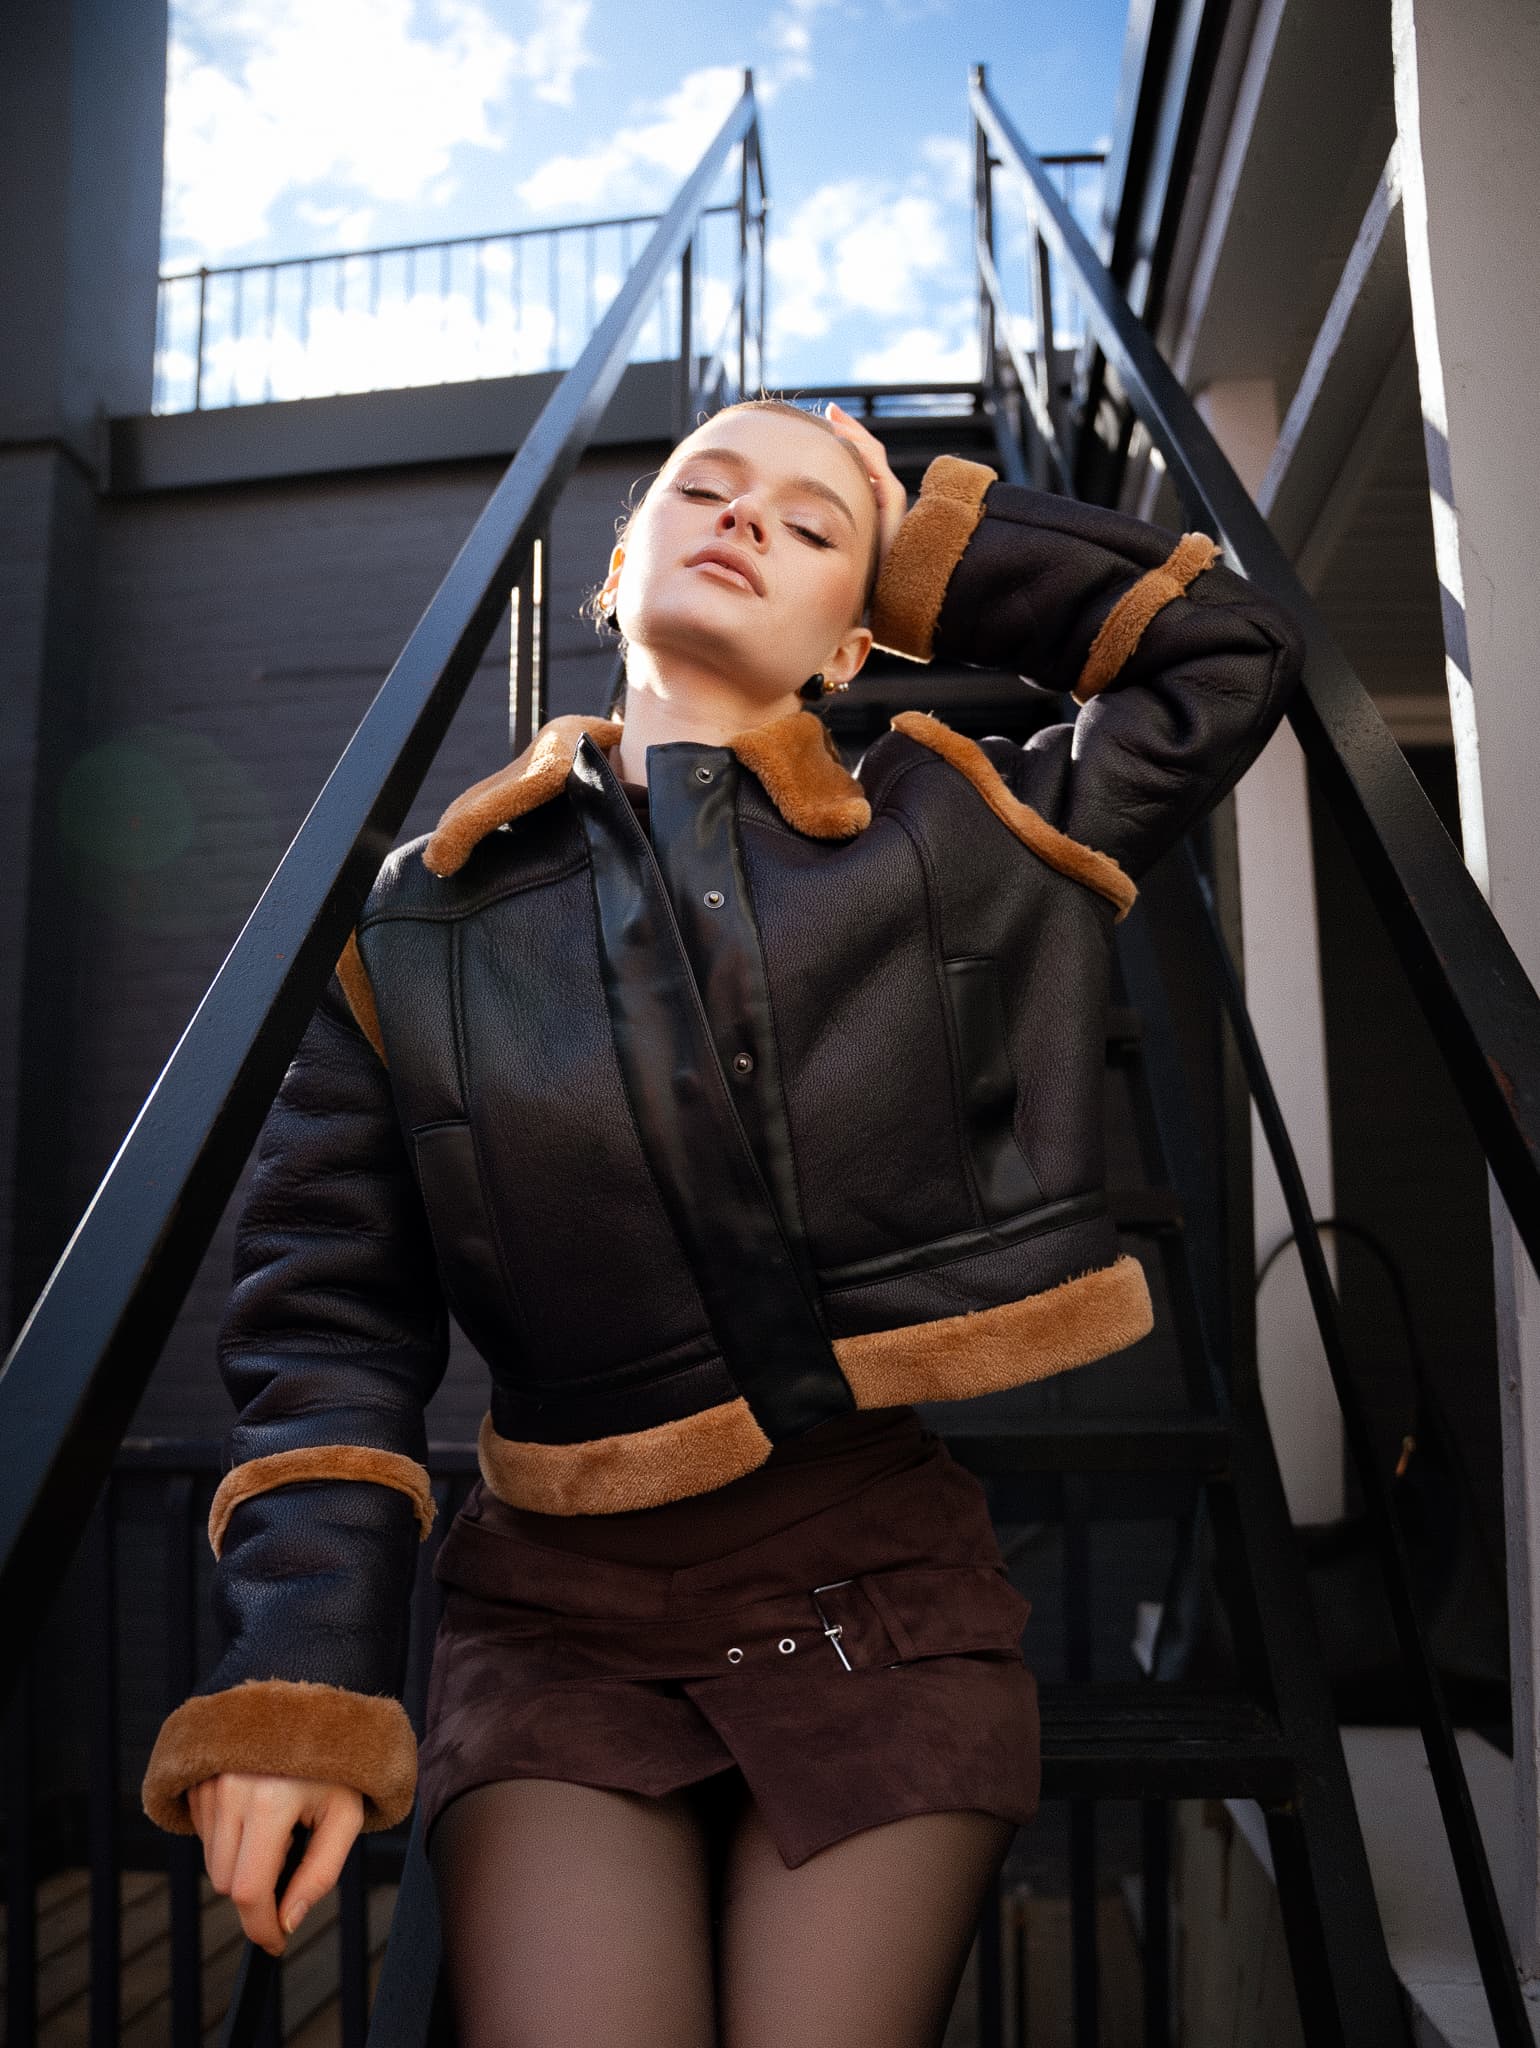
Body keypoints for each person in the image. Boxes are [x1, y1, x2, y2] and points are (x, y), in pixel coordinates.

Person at [141, 395, 1305, 2046]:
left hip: (877, 1598)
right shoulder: (414, 919)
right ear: (615, 574)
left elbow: (1225, 649)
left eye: (813, 528)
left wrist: (915, 538)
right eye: (707, 488)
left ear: (862, 638)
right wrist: (303, 1677)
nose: (748, 518)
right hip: (558, 1624)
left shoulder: (965, 830)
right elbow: (327, 1328)